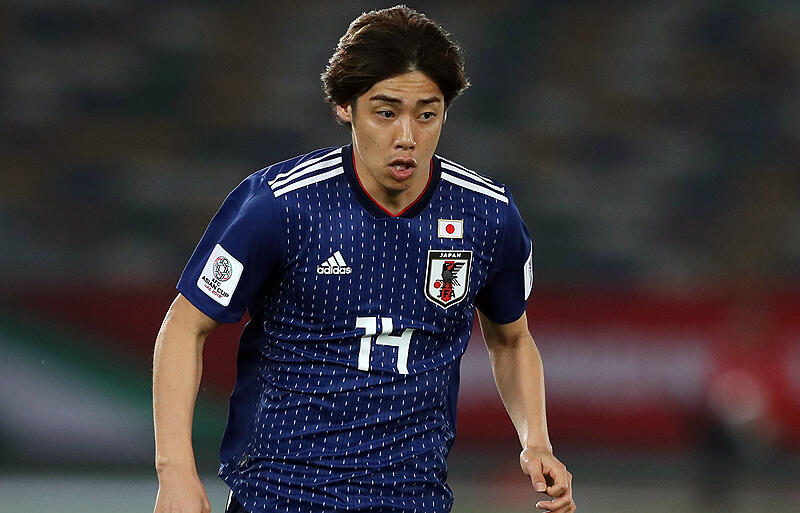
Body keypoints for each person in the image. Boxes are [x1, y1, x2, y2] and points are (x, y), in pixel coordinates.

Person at [152, 5, 574, 513]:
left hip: (413, 499)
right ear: (345, 107)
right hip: (281, 495)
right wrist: (175, 472)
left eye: (426, 114)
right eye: (386, 112)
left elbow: (512, 340)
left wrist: (536, 442)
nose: (407, 137)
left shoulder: (488, 216)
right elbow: (185, 326)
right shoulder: (280, 205)